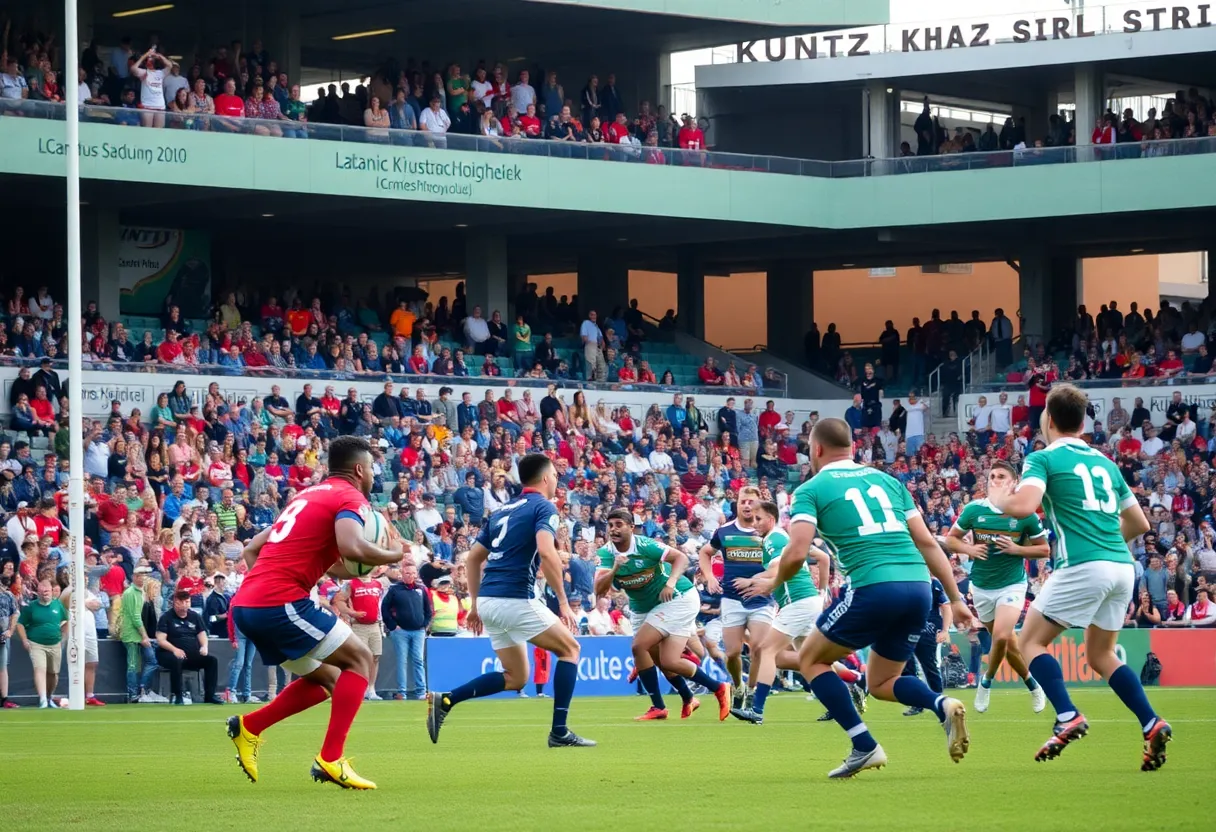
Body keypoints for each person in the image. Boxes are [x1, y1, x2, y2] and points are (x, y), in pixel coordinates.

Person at [743, 417, 973, 778]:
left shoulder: (811, 488)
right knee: (881, 682)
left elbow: (797, 551)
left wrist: (774, 583)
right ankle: (940, 702)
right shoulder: (890, 481)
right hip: (917, 587)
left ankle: (864, 745)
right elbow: (928, 542)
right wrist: (957, 599)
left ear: (815, 449)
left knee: (810, 660)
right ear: (851, 447)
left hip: (873, 585)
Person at [989, 384, 1171, 770]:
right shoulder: (1105, 462)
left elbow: (1024, 507)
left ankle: (1067, 715)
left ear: (1049, 420)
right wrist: (1104, 546)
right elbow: (1139, 522)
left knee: (1028, 643)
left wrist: (1000, 496)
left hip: (1085, 564)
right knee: (1101, 655)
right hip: (1122, 566)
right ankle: (1151, 722)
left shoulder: (1044, 458)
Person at [226, 436, 404, 790]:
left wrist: (292, 577)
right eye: (370, 468)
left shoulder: (306, 496)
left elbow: (252, 549)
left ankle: (249, 727)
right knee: (361, 660)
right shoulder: (349, 497)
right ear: (358, 469)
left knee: (329, 679)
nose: (372, 475)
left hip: (248, 604)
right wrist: (394, 554)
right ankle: (330, 759)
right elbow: (353, 546)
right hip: (280, 603)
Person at [426, 453, 595, 748]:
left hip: (491, 600)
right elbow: (546, 552)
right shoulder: (544, 507)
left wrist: (477, 605)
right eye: (555, 475)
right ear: (545, 478)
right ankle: (559, 731)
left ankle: (447, 700)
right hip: (515, 596)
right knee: (571, 649)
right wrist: (565, 603)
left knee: (516, 677)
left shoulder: (502, 510)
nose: (557, 480)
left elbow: (474, 559)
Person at [594, 508, 730, 722]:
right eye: (610, 525)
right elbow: (599, 590)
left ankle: (685, 695)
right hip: (642, 607)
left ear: (631, 527)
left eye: (619, 524)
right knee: (667, 661)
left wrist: (671, 582)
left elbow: (681, 558)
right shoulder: (606, 554)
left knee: (639, 646)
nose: (613, 529)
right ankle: (705, 692)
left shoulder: (645, 545)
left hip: (675, 598)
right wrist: (614, 569)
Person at [946, 461, 1048, 714]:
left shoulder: (1025, 514)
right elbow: (950, 540)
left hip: (1011, 584)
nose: (995, 479)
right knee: (1008, 644)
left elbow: (1044, 549)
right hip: (981, 587)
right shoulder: (974, 510)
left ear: (1013, 482)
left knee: (1002, 636)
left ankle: (986, 681)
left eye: (1001, 475)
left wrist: (1017, 550)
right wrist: (969, 549)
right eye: (992, 475)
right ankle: (1033, 684)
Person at [729, 501, 835, 725]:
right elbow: (823, 558)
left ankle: (756, 710)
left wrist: (752, 580)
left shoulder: (773, 538)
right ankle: (845, 692)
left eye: (758, 519)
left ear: (770, 519)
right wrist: (822, 592)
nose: (754, 523)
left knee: (768, 651)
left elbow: (777, 568)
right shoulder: (782, 537)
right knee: (810, 660)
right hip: (805, 601)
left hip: (797, 602)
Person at [699, 485, 774, 716]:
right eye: (743, 501)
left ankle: (752, 693)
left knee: (759, 649)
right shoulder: (724, 531)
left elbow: (779, 565)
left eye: (751, 502)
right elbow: (705, 553)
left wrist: (759, 582)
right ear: (737, 503)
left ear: (758, 503)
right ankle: (738, 687)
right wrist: (710, 577)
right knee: (732, 652)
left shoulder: (767, 533)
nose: (747, 506)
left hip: (762, 598)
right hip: (732, 599)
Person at [155, 589, 220, 705]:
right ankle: (178, 695)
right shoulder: (166, 617)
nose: (185, 605)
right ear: (175, 602)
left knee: (212, 661)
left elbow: (202, 633)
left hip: (191, 654)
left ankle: (210, 695)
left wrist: (204, 646)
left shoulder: (195, 616)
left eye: (187, 602)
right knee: (177, 660)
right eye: (182, 602)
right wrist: (174, 649)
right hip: (168, 654)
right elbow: (161, 640)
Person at [381, 562, 431, 700]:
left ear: (416, 574)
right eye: (407, 573)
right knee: (402, 660)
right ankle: (401, 692)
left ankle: (421, 691)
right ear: (402, 574)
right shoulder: (395, 590)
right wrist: (393, 626)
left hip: (418, 630)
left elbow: (428, 609)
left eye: (413, 573)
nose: (410, 576)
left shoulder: (421, 589)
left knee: (418, 660)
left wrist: (425, 624)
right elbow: (384, 608)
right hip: (401, 630)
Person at [16, 579, 68, 708]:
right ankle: (43, 699)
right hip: (36, 643)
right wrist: (24, 639)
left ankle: (49, 696)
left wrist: (63, 638)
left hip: (55, 643)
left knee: (54, 673)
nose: (44, 594)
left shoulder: (57, 605)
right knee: (39, 669)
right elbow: (20, 623)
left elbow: (66, 621)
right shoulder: (31, 607)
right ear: (37, 592)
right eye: (41, 591)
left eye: (46, 591)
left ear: (51, 591)